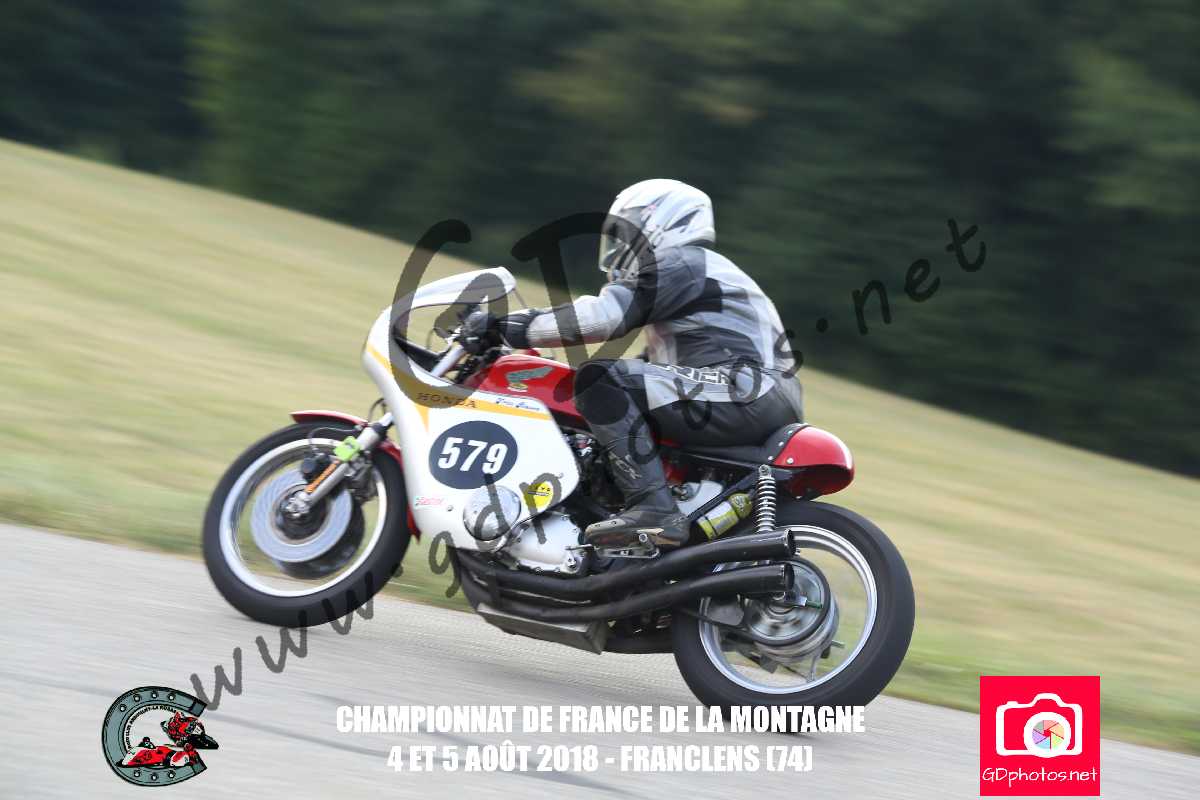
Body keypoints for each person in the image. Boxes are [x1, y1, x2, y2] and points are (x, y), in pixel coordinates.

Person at [464, 179, 803, 550]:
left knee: (600, 379)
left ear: (665, 224)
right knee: (613, 386)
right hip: (752, 390)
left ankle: (655, 511)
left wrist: (507, 326)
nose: (620, 246)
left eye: (630, 232)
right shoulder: (697, 273)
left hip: (747, 388)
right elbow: (652, 368)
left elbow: (604, 317)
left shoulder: (682, 263)